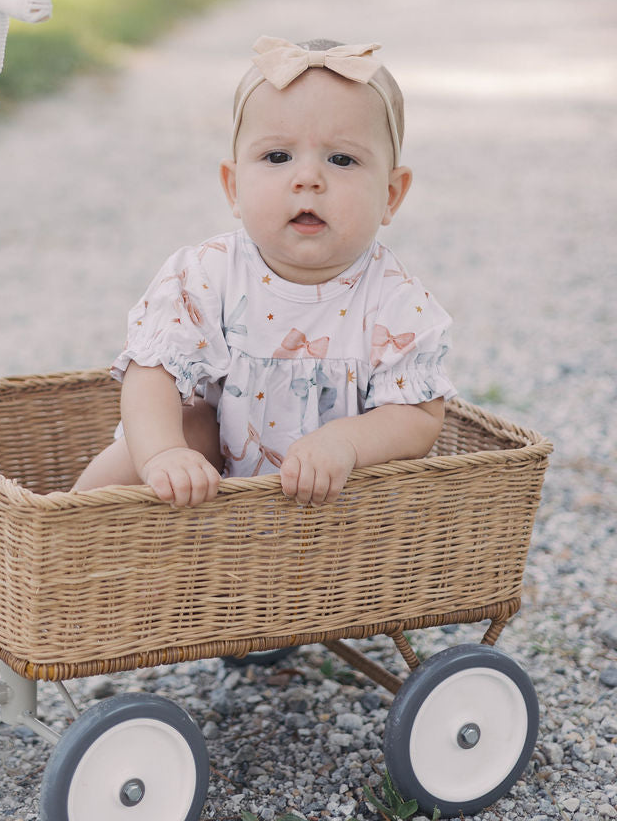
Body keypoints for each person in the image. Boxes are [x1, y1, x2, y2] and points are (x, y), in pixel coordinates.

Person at [73, 36, 455, 508]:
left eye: (342, 159)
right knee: (188, 424)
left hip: (325, 501)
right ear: (233, 187)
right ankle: (62, 525)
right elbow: (151, 373)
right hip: (202, 488)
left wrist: (345, 442)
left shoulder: (395, 300)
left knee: (385, 463)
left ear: (391, 195)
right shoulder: (208, 274)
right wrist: (163, 454)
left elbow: (419, 417)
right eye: (277, 157)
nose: (308, 178)